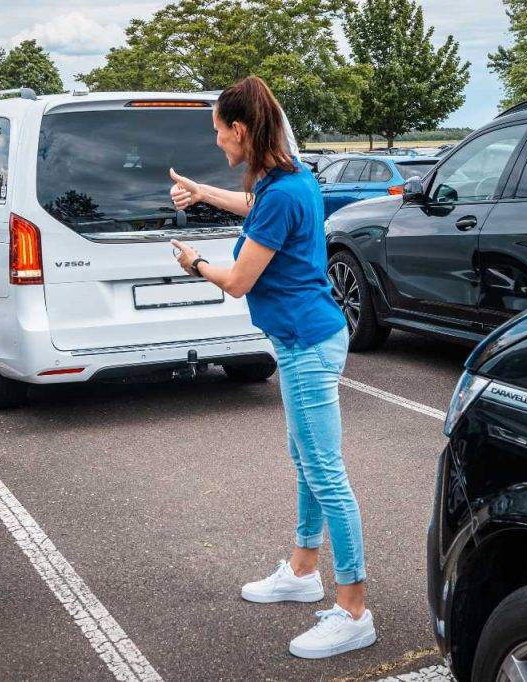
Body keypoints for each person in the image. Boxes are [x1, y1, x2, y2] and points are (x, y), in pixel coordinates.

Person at [169, 75, 375, 660]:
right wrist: (203, 191)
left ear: (240, 129)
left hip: (308, 343)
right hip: (301, 339)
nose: (216, 142)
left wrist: (196, 262)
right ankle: (304, 570)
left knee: (327, 473)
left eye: (218, 132)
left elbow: (238, 281)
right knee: (306, 460)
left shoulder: (282, 191)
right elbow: (252, 207)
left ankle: (354, 609)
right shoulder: (289, 179)